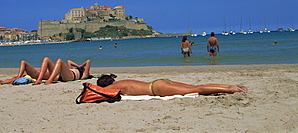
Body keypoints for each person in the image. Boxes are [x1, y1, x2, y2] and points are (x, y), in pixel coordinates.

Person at [97, 75, 247, 96]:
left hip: (156, 89)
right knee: (196, 86)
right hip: (159, 81)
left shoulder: (116, 86)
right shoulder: (122, 82)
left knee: (197, 90)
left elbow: (99, 91)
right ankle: (229, 86)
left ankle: (231, 89)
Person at [0, 58, 91, 85]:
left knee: (59, 61)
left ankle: (49, 80)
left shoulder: (85, 74)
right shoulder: (71, 67)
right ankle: (2, 82)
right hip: (61, 74)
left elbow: (88, 61)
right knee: (46, 59)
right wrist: (79, 66)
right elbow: (69, 62)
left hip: (69, 77)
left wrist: (82, 67)